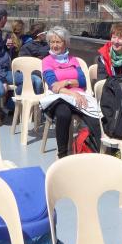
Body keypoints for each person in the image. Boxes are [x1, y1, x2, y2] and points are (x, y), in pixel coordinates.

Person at [42, 26, 101, 159]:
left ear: (65, 43)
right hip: (59, 97)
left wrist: (65, 82)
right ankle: (62, 154)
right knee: (63, 114)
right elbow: (53, 86)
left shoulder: (73, 60)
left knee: (95, 117)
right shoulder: (47, 61)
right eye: (52, 42)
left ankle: (99, 151)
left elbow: (82, 82)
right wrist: (72, 91)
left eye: (58, 42)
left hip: (79, 95)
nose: (55, 45)